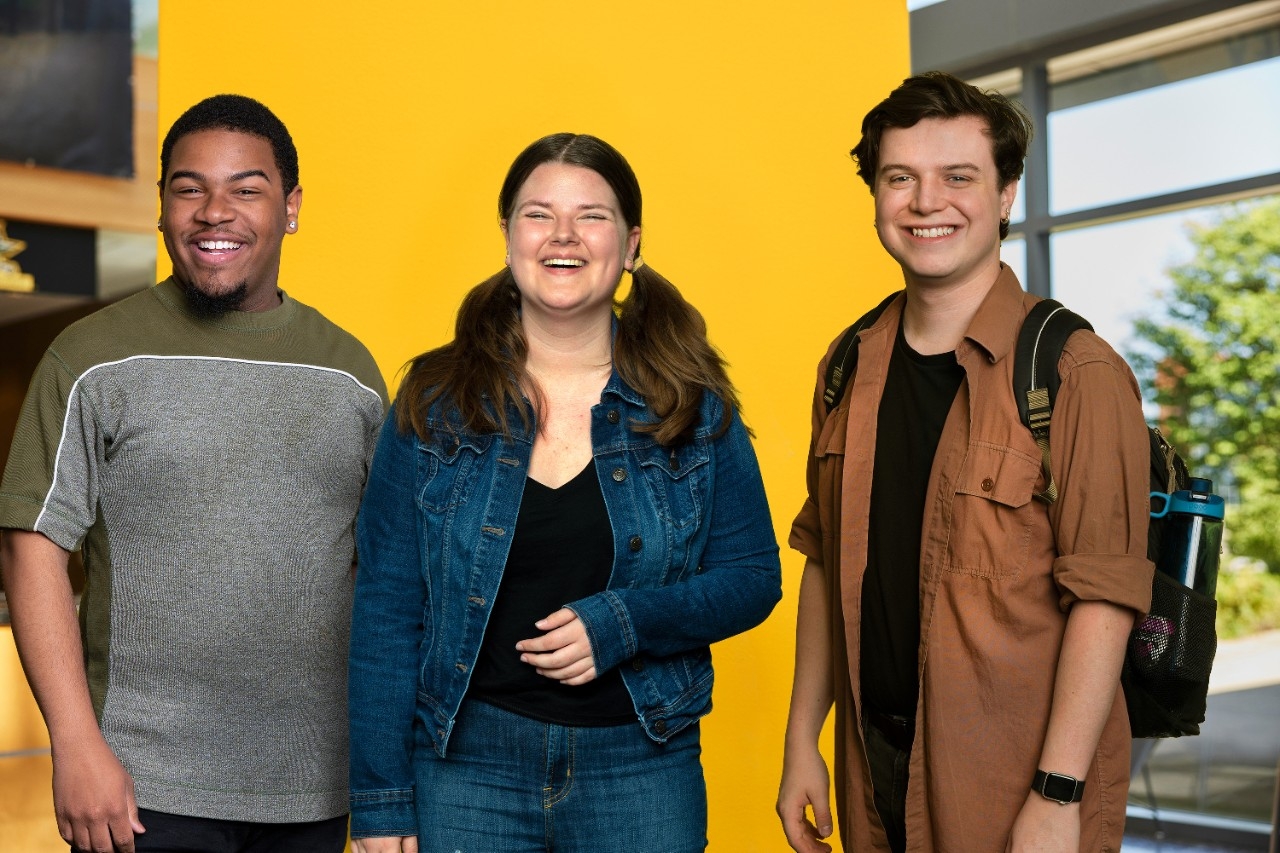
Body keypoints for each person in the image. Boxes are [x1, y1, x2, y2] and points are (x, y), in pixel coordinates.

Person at [347, 132, 782, 853]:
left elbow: (752, 578)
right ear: (509, 235)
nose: (564, 236)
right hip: (466, 772)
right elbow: (387, 607)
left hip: (642, 767)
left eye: (593, 216)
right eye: (538, 214)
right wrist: (382, 802)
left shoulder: (691, 402)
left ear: (632, 243)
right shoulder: (434, 399)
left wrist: (625, 621)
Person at [776, 72, 1154, 853]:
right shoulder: (847, 363)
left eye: (958, 177)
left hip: (1016, 782)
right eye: (899, 178)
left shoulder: (1075, 370)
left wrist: (1058, 795)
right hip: (872, 771)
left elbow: (1107, 597)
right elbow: (822, 560)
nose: (925, 202)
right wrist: (800, 740)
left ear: (1007, 193)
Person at [0, 94, 387, 853]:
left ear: (291, 208)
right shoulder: (90, 358)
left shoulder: (352, 373)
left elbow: (387, 578)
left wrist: (383, 778)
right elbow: (31, 548)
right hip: (140, 786)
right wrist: (75, 747)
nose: (216, 212)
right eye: (188, 188)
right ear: (162, 206)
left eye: (246, 189)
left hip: (314, 786)